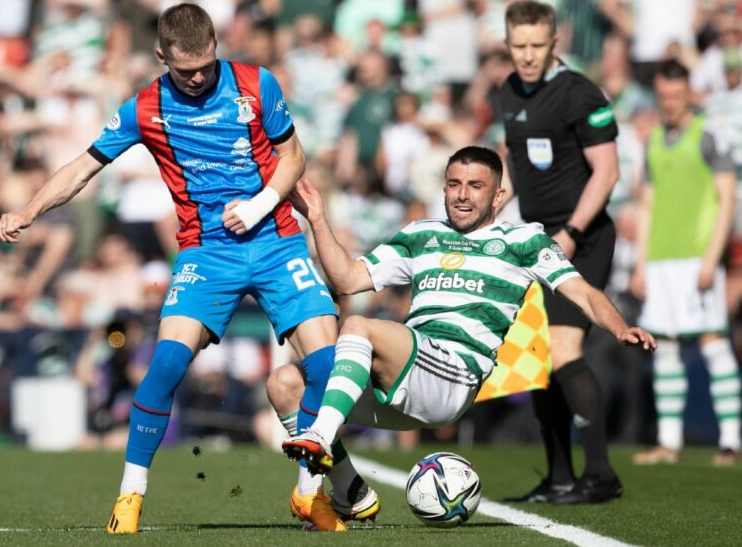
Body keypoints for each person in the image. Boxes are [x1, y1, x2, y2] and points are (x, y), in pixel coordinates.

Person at [0, 3, 376, 534]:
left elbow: (294, 157)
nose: (197, 78)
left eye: (205, 65)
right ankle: (130, 497)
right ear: (160, 57)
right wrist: (29, 211)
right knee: (166, 366)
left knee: (325, 366)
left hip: (278, 242)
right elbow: (83, 167)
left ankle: (312, 494)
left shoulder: (255, 84)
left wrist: (263, 203)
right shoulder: (144, 107)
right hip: (206, 253)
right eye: (185, 70)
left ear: (217, 45)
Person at [278, 146, 655, 479]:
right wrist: (317, 218)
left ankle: (321, 436)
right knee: (284, 384)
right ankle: (349, 492)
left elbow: (585, 294)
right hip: (404, 379)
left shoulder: (523, 241)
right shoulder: (420, 234)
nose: (461, 195)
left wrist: (620, 328)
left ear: (498, 196)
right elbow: (346, 279)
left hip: (454, 375)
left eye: (475, 185)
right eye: (454, 184)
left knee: (358, 325)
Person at [496, 0, 623, 504]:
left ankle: (601, 475)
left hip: (582, 237)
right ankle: (559, 477)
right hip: (535, 237)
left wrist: (570, 231)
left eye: (536, 46)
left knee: (565, 350)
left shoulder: (579, 92)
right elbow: (515, 160)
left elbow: (607, 172)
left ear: (554, 43)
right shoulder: (507, 91)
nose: (527, 56)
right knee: (535, 360)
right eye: (518, 46)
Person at [630, 59, 742, 467]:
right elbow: (647, 204)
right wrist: (641, 263)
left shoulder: (709, 136)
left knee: (713, 343)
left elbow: (726, 198)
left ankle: (730, 441)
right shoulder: (653, 141)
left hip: (697, 256)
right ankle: (668, 441)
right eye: (663, 97)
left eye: (677, 96)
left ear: (689, 93)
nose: (670, 104)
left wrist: (713, 257)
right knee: (665, 348)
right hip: (660, 260)